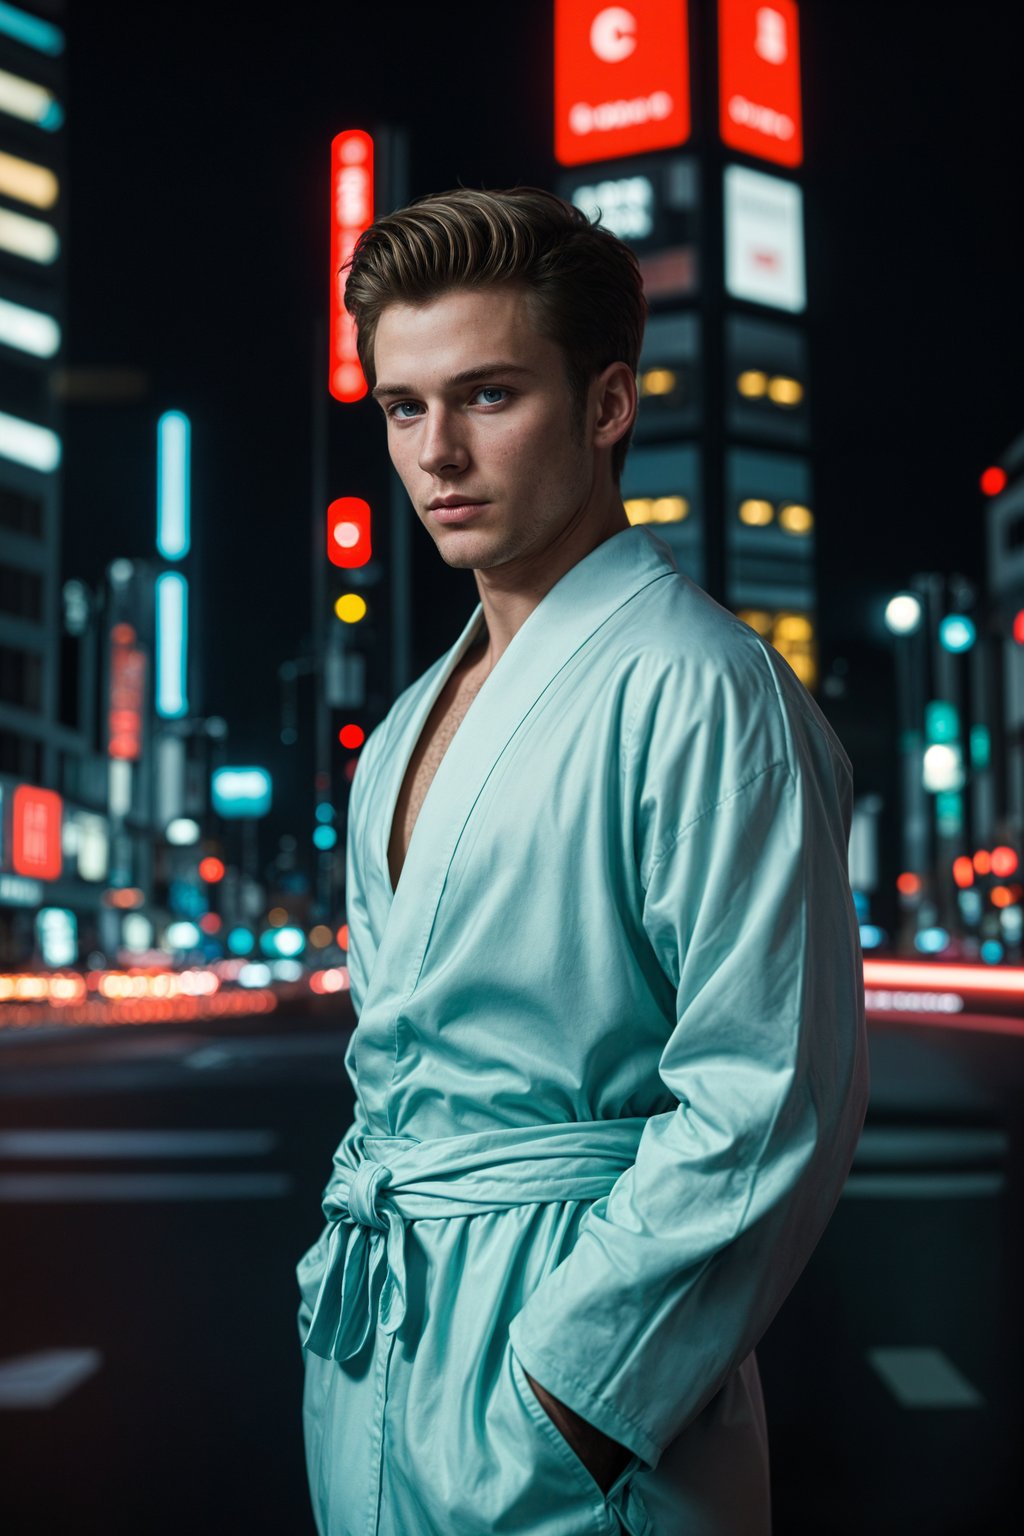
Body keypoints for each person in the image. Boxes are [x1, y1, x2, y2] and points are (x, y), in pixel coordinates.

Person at [296, 185, 869, 1536]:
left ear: (609, 405)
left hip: (579, 1375)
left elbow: (772, 1092)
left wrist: (569, 1396)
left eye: (488, 397)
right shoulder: (405, 724)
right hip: (387, 1340)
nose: (438, 454)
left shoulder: (703, 686)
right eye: (402, 407)